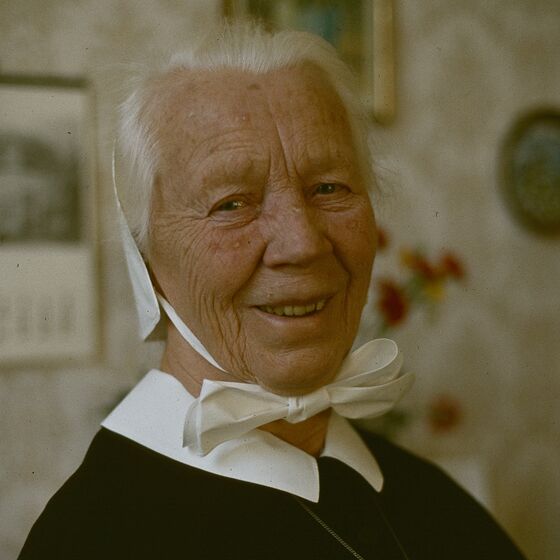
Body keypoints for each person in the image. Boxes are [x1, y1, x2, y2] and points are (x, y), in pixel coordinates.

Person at [19, 22, 525, 560]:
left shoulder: (441, 508)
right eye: (232, 203)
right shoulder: (88, 539)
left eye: (328, 188)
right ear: (145, 258)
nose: (302, 243)